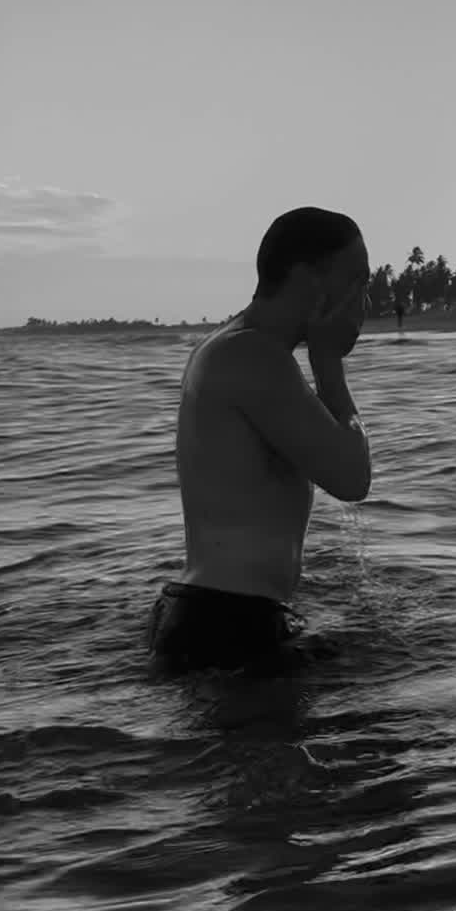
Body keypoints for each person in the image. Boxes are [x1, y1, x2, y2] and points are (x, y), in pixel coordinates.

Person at [147, 207, 372, 673]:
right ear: (308, 279)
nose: (365, 300)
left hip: (210, 614)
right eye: (357, 280)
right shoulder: (254, 358)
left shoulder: (230, 346)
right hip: (227, 626)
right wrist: (328, 364)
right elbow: (352, 478)